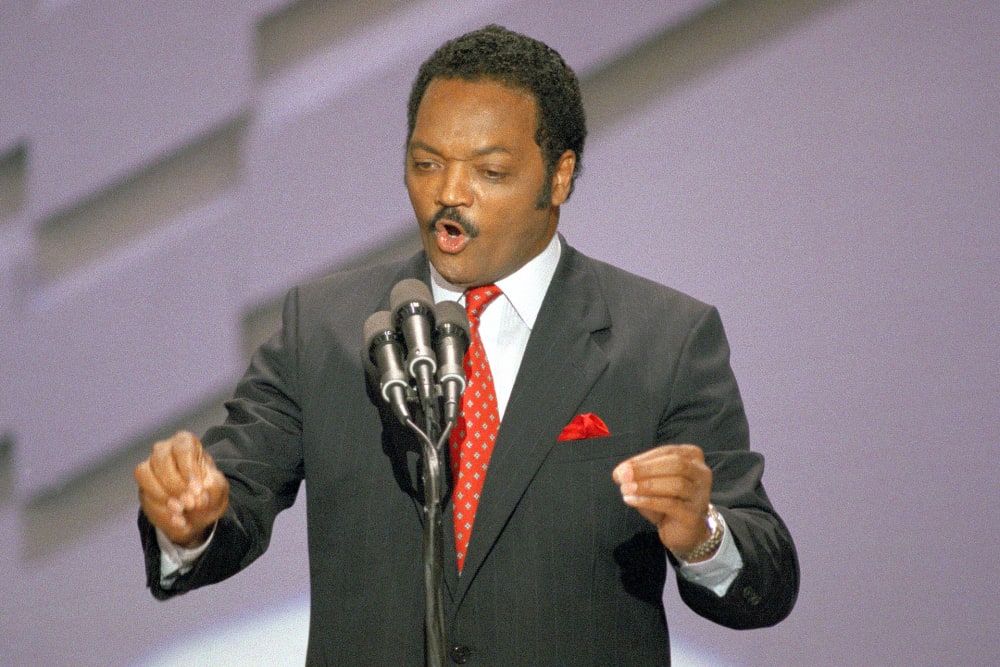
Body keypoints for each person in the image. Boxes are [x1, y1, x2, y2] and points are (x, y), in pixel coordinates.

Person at [134, 25, 798, 666]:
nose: (449, 194)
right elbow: (234, 493)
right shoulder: (325, 327)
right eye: (426, 164)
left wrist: (702, 534)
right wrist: (189, 519)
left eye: (491, 170)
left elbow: (766, 579)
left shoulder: (664, 339)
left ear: (558, 177)